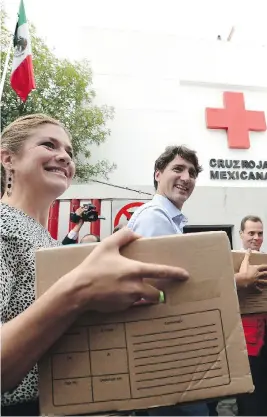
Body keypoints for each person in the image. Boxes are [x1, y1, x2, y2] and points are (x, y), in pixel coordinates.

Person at [0, 114, 189, 416]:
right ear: (8, 158)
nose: (63, 156)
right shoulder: (3, 225)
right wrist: (78, 292)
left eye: (69, 152)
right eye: (48, 145)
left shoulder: (45, 238)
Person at [128, 145, 209, 416]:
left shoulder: (171, 220)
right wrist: (235, 282)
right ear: (157, 174)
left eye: (193, 172)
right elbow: (161, 290)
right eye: (178, 168)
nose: (187, 177)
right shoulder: (155, 218)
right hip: (163, 357)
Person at [236, 215, 267, 416]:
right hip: (246, 341)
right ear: (241, 235)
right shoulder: (231, 260)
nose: (256, 237)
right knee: (250, 396)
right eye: (251, 233)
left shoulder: (265, 259)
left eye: (260, 233)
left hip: (264, 336)